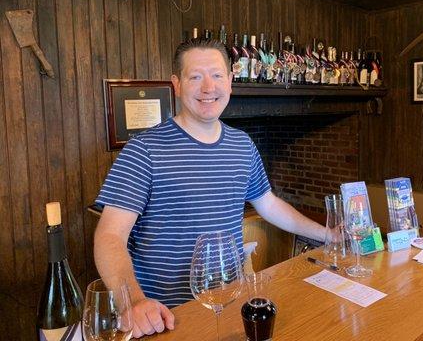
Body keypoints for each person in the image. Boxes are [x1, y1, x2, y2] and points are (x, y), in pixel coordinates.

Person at [94, 38, 327, 338]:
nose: (208, 87)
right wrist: (136, 303)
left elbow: (269, 204)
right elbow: (109, 236)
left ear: (230, 82)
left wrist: (328, 234)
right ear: (176, 84)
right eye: (195, 77)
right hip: (164, 318)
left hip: (229, 305)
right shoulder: (144, 150)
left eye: (217, 75)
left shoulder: (242, 145)